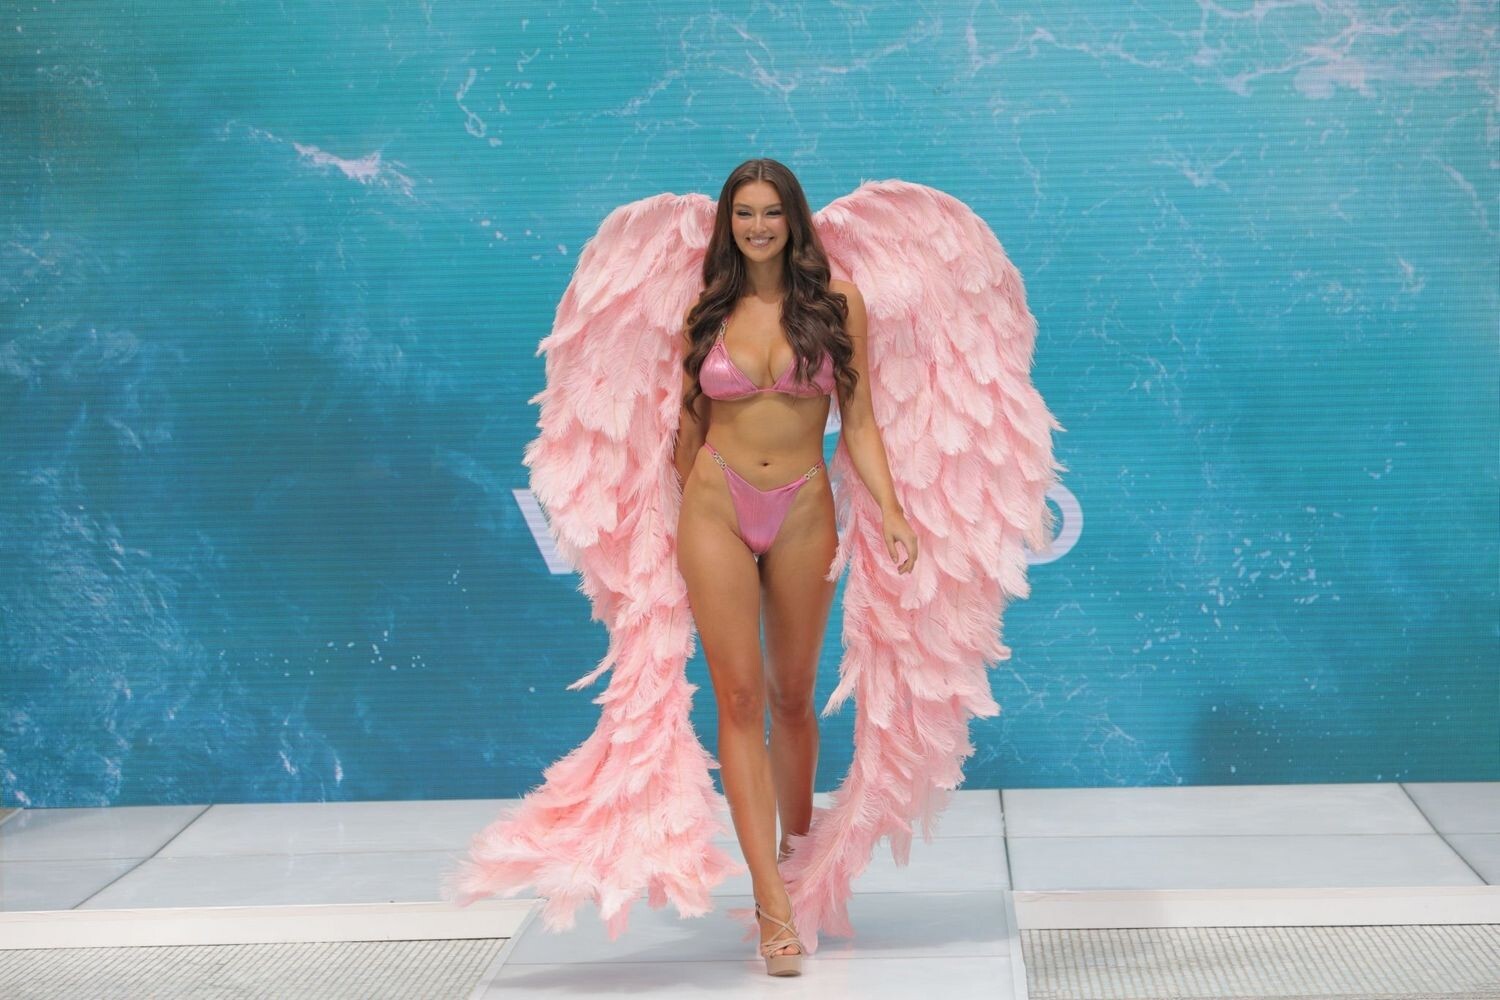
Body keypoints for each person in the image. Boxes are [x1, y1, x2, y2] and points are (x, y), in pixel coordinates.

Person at [671, 158, 917, 976]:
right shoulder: (705, 310)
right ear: (728, 223)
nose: (758, 227)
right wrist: (674, 519)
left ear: (793, 219)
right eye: (743, 213)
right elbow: (688, 429)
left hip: (805, 507)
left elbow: (862, 421)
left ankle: (796, 859)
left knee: (791, 698)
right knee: (740, 698)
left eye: (770, 212)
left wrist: (890, 509)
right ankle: (771, 904)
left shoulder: (838, 303)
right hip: (715, 505)